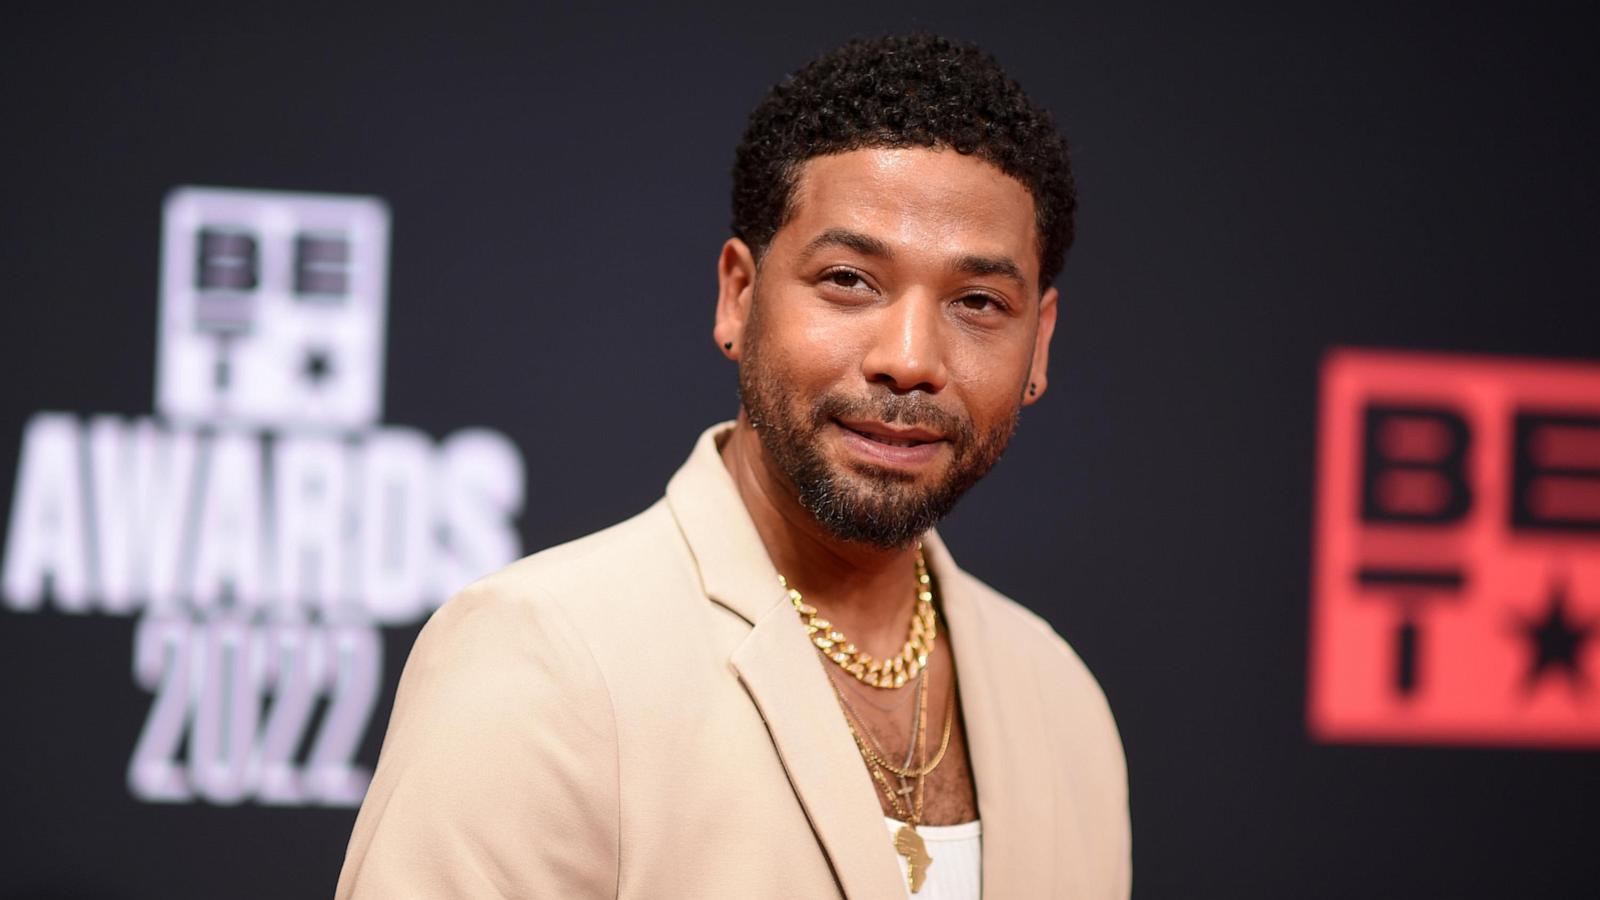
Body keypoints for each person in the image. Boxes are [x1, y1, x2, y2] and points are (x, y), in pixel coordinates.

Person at [336, 32, 1130, 899]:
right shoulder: (542, 658)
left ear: (1038, 343)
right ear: (739, 297)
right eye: (849, 280)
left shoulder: (1060, 701)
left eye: (977, 302)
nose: (909, 358)